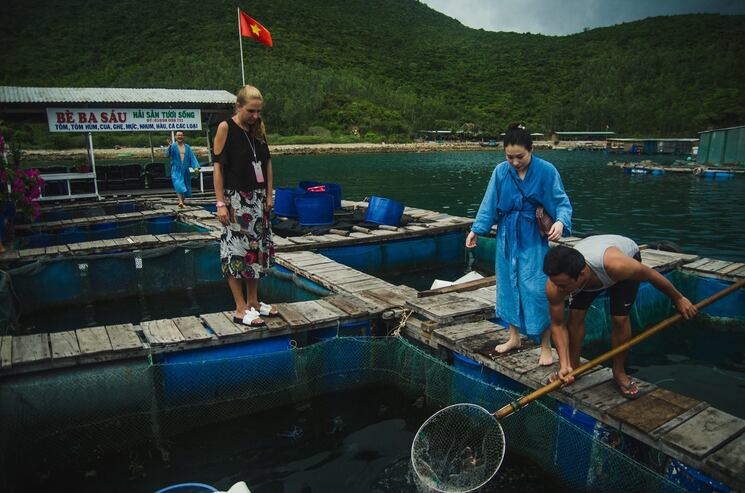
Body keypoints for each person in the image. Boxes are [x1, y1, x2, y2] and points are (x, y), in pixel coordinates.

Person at [466, 123, 572, 366]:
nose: (514, 162)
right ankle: (514, 337)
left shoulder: (547, 170)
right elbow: (489, 203)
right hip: (507, 235)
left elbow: (561, 202)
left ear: (531, 149)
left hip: (534, 237)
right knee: (508, 286)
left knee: (537, 289)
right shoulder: (500, 172)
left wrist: (559, 222)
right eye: (509, 157)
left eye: (520, 157)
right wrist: (476, 231)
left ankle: (546, 345)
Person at [543, 235, 698, 397]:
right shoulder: (556, 285)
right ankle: (572, 368)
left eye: (562, 286)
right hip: (590, 262)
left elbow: (651, 275)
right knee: (575, 318)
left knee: (619, 318)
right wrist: (563, 364)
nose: (558, 290)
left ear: (582, 274)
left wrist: (678, 298)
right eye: (555, 284)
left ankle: (619, 372)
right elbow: (558, 325)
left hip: (621, 259)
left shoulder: (619, 266)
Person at [212, 85, 277, 327]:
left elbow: (267, 163)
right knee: (234, 252)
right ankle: (240, 307)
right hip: (235, 199)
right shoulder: (225, 128)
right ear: (239, 106)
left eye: (259, 111)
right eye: (251, 111)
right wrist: (220, 203)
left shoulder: (258, 128)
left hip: (258, 199)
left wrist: (269, 195)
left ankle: (253, 301)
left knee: (256, 251)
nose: (255, 116)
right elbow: (218, 168)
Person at [164, 131, 200, 208]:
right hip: (176, 169)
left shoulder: (187, 147)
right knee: (178, 184)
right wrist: (169, 146)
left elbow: (192, 157)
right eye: (178, 135)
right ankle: (180, 201)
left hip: (185, 169)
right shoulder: (173, 146)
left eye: (181, 135)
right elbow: (167, 155)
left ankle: (182, 203)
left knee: (185, 185)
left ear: (183, 136)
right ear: (176, 137)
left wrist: (195, 167)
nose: (179, 136)